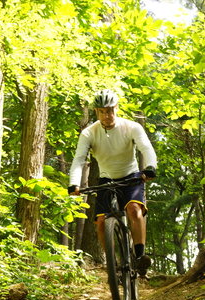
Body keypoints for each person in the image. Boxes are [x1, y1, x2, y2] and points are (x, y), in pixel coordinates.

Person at [68, 89, 158, 278]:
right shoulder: (88, 133)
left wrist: (150, 167)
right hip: (106, 179)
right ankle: (112, 264)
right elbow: (79, 160)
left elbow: (146, 148)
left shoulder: (131, 127)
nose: (107, 115)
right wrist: (74, 183)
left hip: (131, 176)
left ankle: (140, 257)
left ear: (116, 108)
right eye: (102, 111)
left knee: (134, 209)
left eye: (110, 110)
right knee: (101, 222)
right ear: (96, 112)